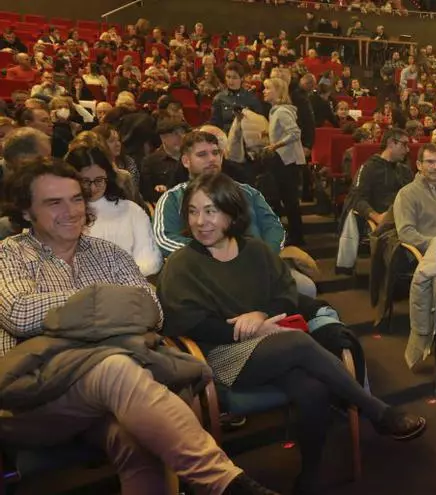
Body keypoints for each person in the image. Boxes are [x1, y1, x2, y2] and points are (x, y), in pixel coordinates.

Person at [0, 159, 277, 495]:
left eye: (76, 199)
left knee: (139, 441)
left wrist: (73, 316)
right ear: (26, 211)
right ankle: (226, 484)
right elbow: (21, 313)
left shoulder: (109, 254)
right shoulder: (9, 256)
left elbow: (151, 311)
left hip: (115, 398)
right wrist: (106, 302)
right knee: (114, 365)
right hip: (35, 399)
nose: (71, 211)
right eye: (54, 202)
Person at [157, 172, 426, 493]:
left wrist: (260, 316)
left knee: (313, 388)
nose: (200, 221)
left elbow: (287, 295)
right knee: (298, 342)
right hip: (219, 355)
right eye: (193, 211)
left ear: (231, 212)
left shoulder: (256, 251)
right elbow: (183, 322)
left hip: (272, 346)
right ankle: (377, 411)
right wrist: (243, 330)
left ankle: (308, 479)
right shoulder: (181, 264)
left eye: (210, 211)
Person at [153, 131, 316, 297]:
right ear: (186, 161)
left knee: (306, 288)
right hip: (206, 271)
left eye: (216, 153)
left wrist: (261, 256)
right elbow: (165, 239)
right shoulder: (173, 198)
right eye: (202, 154)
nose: (212, 159)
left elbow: (275, 229)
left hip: (257, 266)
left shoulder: (248, 192)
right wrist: (221, 255)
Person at [66, 146, 162, 277]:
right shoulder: (63, 214)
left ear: (108, 176)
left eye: (99, 180)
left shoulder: (131, 210)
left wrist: (121, 278)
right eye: (85, 181)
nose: (93, 188)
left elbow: (149, 261)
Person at [261, 77, 306, 246]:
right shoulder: (274, 111)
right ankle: (294, 235)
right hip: (282, 160)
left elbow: (295, 133)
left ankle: (297, 237)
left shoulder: (281, 112)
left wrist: (275, 145)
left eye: (268, 88)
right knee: (286, 199)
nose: (264, 91)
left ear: (278, 92)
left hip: (287, 162)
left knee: (289, 200)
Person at [394, 143, 436, 252]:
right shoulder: (406, 194)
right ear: (419, 165)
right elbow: (406, 233)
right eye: (430, 162)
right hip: (432, 253)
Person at [346, 128, 414, 226]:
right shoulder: (368, 168)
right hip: (384, 223)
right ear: (391, 143)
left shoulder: (405, 171)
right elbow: (357, 199)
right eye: (404, 144)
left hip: (407, 220)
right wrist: (377, 217)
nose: (407, 149)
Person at [141, 117, 189, 203]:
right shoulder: (150, 162)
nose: (181, 137)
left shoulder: (192, 157)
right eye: (175, 134)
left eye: (183, 132)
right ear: (163, 137)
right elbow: (147, 194)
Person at [209, 62, 264, 133]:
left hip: (246, 135)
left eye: (234, 77)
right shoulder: (219, 98)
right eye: (228, 77)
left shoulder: (251, 98)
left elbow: (259, 122)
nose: (230, 81)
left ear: (241, 78)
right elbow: (215, 124)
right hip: (226, 135)